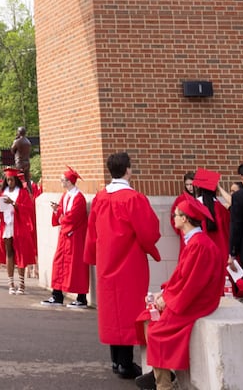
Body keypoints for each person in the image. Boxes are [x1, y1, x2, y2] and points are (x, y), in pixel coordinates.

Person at [84, 152, 161, 381]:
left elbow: (92, 231)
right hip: (129, 262)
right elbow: (149, 232)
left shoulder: (100, 197)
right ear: (128, 169)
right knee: (128, 311)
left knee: (112, 311)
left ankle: (117, 361)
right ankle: (126, 364)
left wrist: (93, 255)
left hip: (107, 261)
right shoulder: (133, 198)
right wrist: (152, 248)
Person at [137, 197, 224, 390]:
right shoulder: (194, 241)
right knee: (146, 318)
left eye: (176, 215)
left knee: (156, 331)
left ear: (185, 219)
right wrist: (163, 293)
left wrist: (167, 299)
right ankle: (160, 372)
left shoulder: (199, 245)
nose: (173, 218)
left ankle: (164, 385)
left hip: (197, 301)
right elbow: (182, 276)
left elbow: (192, 283)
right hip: (188, 296)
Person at [45, 165, 90, 307]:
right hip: (65, 235)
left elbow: (72, 218)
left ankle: (81, 297)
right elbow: (63, 213)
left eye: (62, 179)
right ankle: (57, 295)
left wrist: (61, 217)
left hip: (75, 237)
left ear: (69, 181)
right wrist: (56, 211)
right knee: (59, 263)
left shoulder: (79, 198)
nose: (61, 182)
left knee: (76, 266)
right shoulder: (65, 196)